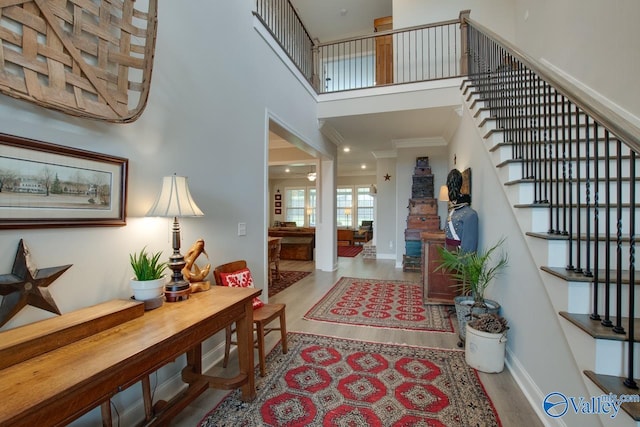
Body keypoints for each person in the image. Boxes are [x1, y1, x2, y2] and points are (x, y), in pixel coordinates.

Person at [444, 169, 478, 253]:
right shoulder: (452, 212)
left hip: (458, 260)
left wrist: (461, 264)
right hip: (449, 258)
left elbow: (469, 248)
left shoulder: (470, 215)